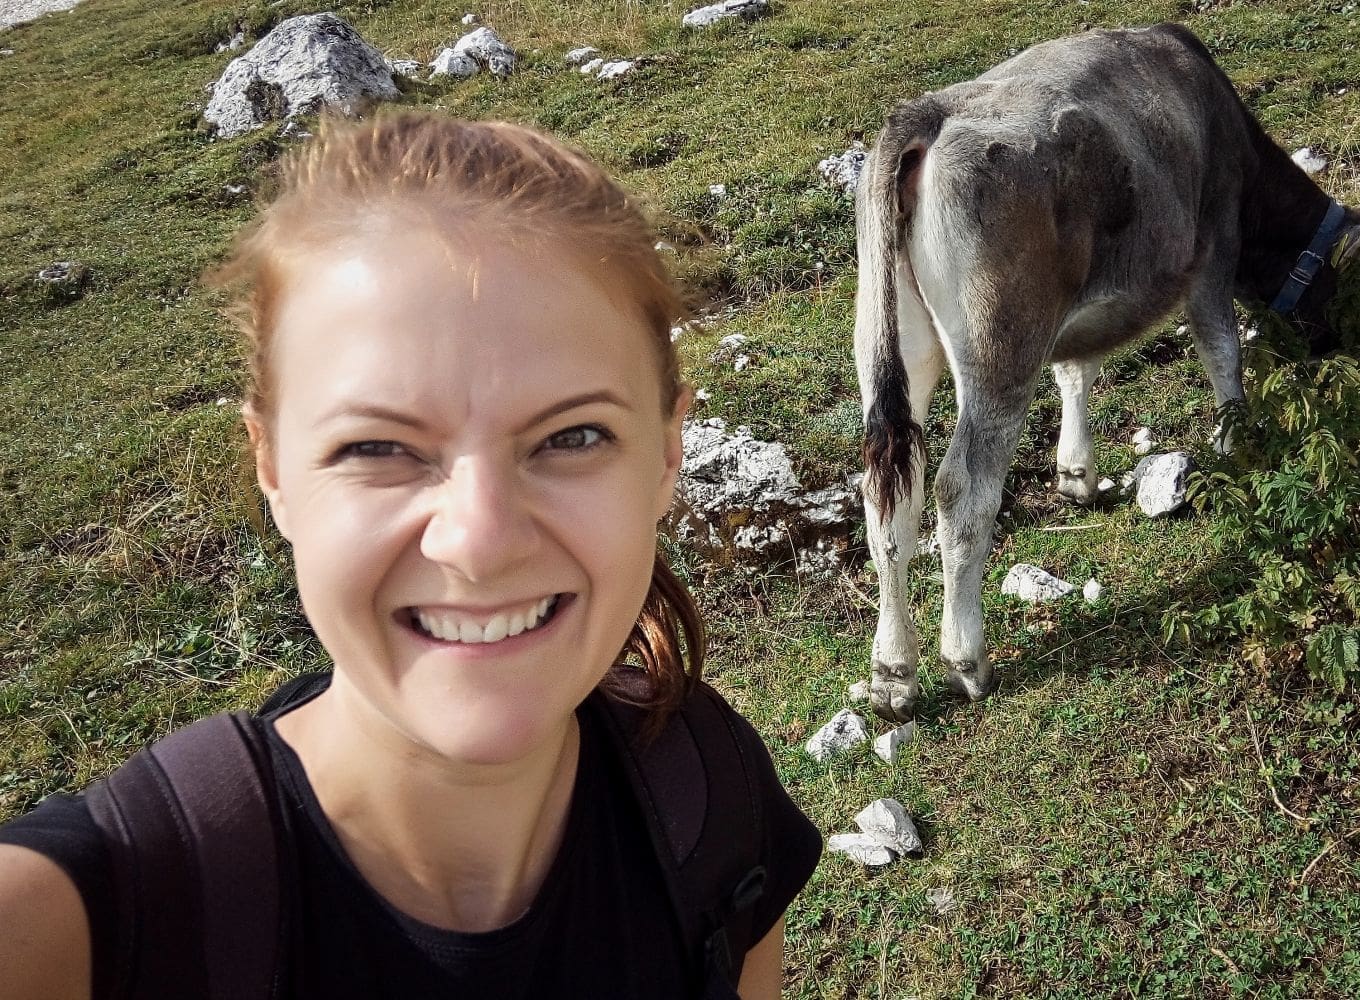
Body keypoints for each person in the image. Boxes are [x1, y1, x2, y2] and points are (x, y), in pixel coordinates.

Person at [0, 111, 821, 998]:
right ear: (271, 469)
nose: (478, 541)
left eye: (573, 435)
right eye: (377, 448)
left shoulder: (708, 793)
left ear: (667, 453)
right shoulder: (88, 922)